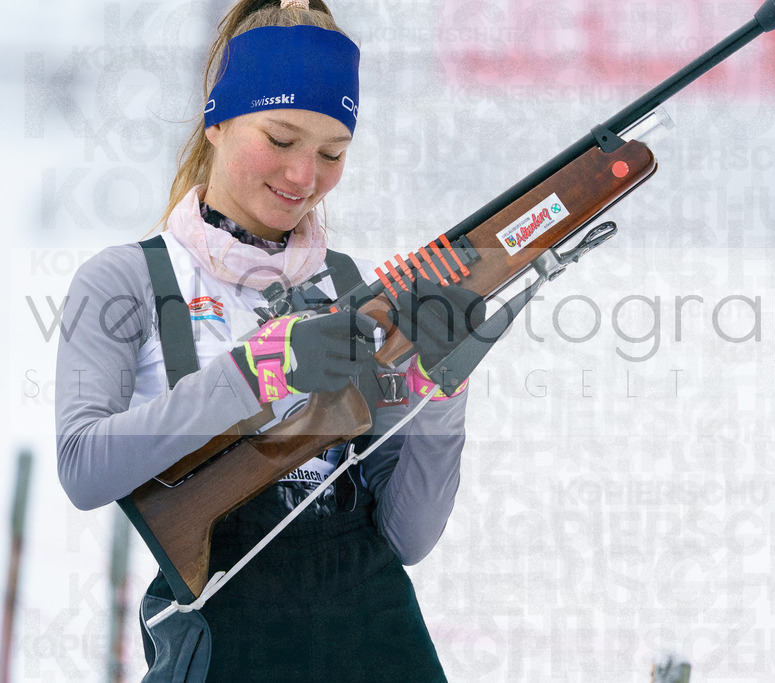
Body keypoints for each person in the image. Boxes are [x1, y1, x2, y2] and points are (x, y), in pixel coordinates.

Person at [54, 0, 481, 680]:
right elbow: (83, 466)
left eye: (332, 153)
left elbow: (407, 537)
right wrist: (261, 370)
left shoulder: (351, 286)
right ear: (217, 120)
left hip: (374, 645)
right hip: (228, 643)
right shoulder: (128, 279)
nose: (304, 177)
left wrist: (441, 392)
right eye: (281, 140)